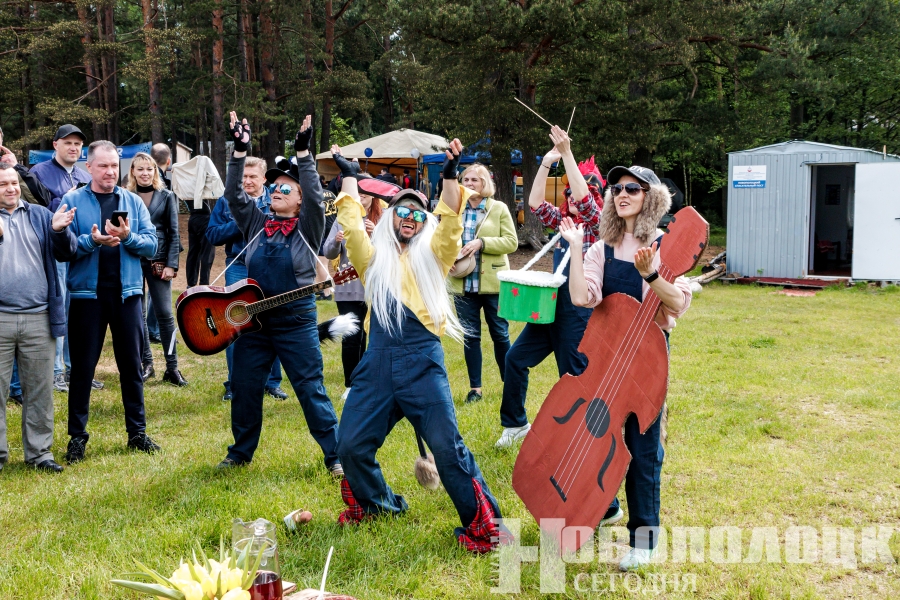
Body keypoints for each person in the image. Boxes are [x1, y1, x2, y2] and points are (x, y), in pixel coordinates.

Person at [333, 139, 505, 554]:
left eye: (416, 213)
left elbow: (450, 222)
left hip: (422, 363)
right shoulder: (372, 260)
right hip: (377, 364)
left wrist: (450, 174)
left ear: (422, 220)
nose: (409, 217)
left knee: (447, 448)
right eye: (402, 211)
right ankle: (378, 506)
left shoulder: (436, 256)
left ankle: (486, 528)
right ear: (391, 217)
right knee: (351, 445)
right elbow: (352, 226)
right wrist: (350, 178)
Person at [561, 164, 691, 571]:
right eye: (616, 188)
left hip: (648, 361)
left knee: (643, 448)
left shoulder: (667, 245)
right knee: (594, 438)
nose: (621, 194)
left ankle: (644, 539)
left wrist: (650, 274)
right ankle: (602, 509)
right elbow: (582, 297)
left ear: (650, 197)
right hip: (606, 357)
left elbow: (678, 304)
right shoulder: (602, 248)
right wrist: (576, 249)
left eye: (632, 188)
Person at [216, 112, 340, 475]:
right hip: (254, 323)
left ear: (300, 200)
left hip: (296, 321)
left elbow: (316, 196)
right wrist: (239, 152)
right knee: (244, 386)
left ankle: (335, 456)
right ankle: (240, 453)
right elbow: (233, 195)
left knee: (310, 388)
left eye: (286, 188)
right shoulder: (256, 223)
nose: (276, 191)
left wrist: (303, 153)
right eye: (274, 187)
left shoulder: (309, 226)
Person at [497, 126, 604, 448]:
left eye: (578, 192)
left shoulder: (597, 224)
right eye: (567, 193)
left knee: (572, 374)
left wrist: (568, 154)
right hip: (550, 305)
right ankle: (515, 424)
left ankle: (583, 435)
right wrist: (546, 162)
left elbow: (586, 202)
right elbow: (534, 203)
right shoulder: (563, 221)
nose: (572, 198)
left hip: (579, 311)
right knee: (515, 358)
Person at [59, 140, 160, 464]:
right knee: (82, 369)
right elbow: (63, 248)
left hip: (127, 295)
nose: (109, 171)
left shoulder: (132, 201)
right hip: (87, 297)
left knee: (131, 366)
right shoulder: (73, 201)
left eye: (114, 165)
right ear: (88, 167)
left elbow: (152, 246)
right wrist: (92, 241)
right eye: (103, 166)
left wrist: (128, 237)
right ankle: (77, 437)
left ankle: (137, 433)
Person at [0, 163, 77, 473]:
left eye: (13, 182)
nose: (10, 188)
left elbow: (67, 252)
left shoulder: (40, 215)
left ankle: (39, 454)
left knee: (40, 391)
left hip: (39, 317)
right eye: (2, 184)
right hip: (1, 318)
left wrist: (59, 231)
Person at [206, 155, 288, 402]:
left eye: (253, 176)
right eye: (243, 177)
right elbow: (212, 235)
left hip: (270, 266)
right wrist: (241, 221)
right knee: (235, 324)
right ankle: (235, 384)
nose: (247, 181)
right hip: (238, 266)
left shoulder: (276, 199)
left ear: (264, 178)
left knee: (271, 321)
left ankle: (271, 383)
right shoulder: (227, 201)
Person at [29, 125, 104, 394]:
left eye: (77, 144)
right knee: (60, 309)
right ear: (55, 145)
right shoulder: (39, 173)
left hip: (81, 249)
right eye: (68, 142)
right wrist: (67, 197)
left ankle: (76, 369)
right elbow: (37, 210)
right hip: (55, 250)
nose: (73, 147)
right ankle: (56, 372)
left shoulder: (85, 175)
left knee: (79, 311)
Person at [321, 145, 387, 401]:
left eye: (366, 191)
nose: (362, 195)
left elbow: (394, 252)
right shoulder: (342, 218)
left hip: (376, 284)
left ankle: (369, 380)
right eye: (357, 191)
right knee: (351, 334)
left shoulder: (384, 218)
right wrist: (336, 241)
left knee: (371, 334)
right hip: (348, 285)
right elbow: (328, 252)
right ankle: (351, 384)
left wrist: (375, 234)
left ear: (374, 195)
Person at [448, 163, 517, 403]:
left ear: (484, 183)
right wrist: (447, 256)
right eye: (466, 180)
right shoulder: (455, 208)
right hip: (462, 282)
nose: (469, 184)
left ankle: (510, 383)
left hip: (493, 284)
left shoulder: (498, 208)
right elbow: (443, 240)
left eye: (474, 180)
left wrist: (482, 243)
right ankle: (475, 389)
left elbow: (511, 242)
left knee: (500, 333)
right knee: (470, 337)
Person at [126, 152, 188, 387]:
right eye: (140, 169)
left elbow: (174, 232)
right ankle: (147, 363)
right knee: (138, 314)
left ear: (155, 171)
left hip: (159, 260)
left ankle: (172, 367)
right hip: (132, 259)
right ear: (133, 172)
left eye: (149, 169)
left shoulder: (167, 196)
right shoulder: (126, 196)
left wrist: (172, 264)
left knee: (164, 313)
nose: (145, 173)